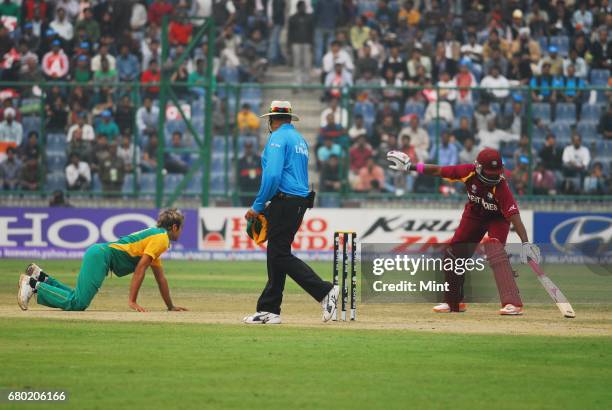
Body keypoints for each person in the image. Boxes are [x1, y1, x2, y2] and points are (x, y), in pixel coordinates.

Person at [386, 148, 541, 315]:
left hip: (498, 218)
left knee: (495, 249)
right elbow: (439, 170)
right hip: (474, 214)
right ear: (478, 167)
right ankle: (453, 302)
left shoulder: (501, 187)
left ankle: (512, 304)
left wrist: (525, 242)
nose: (494, 177)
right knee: (453, 253)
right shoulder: (467, 172)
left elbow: (514, 217)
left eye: (497, 173)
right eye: (490, 173)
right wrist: (411, 167)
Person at [243, 101, 337, 324]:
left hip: (285, 200)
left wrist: (257, 206)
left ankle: (325, 291)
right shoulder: (300, 140)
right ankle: (270, 310)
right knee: (277, 253)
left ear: (271, 120)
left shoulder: (277, 138)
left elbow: (273, 176)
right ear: (288, 118)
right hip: (298, 201)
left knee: (279, 254)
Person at [17, 209, 188, 312]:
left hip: (100, 254)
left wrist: (170, 306)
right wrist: (132, 301)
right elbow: (141, 268)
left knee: (76, 297)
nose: (180, 232)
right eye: (180, 229)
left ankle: (41, 278)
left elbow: (161, 279)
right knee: (78, 304)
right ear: (174, 227)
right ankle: (33, 285)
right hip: (101, 256)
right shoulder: (161, 239)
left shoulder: (156, 237)